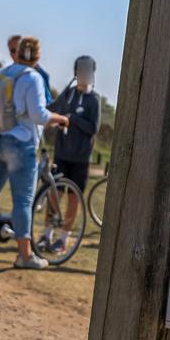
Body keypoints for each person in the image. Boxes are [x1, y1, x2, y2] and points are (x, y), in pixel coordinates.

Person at [0, 35, 66, 270]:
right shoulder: (33, 77)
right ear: (37, 56)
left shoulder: (3, 73)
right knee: (23, 200)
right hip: (21, 143)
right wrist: (60, 118)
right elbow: (38, 115)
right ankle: (24, 255)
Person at [48, 55, 102, 242]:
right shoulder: (68, 94)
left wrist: (73, 119)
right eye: (80, 70)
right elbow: (52, 109)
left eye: (88, 70)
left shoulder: (94, 99)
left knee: (73, 198)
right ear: (75, 72)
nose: (84, 74)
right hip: (61, 154)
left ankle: (63, 239)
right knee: (54, 193)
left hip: (81, 158)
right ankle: (47, 234)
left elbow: (93, 128)